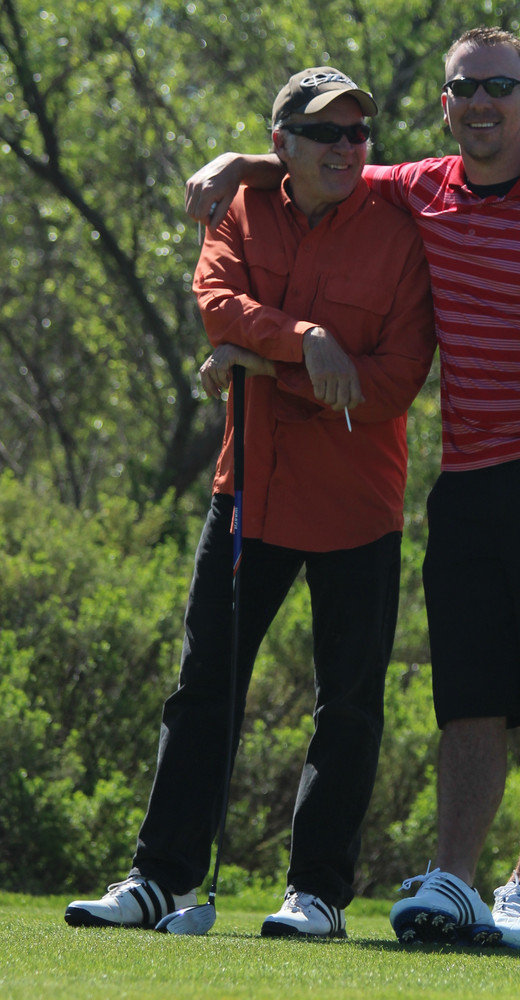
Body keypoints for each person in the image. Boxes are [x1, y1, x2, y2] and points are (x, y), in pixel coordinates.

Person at [183, 26, 520, 951]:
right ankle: (453, 879)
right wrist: (237, 163)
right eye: (465, 88)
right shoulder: (422, 187)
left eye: (500, 86)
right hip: (472, 477)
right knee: (470, 694)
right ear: (446, 107)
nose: (482, 102)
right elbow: (323, 166)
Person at [64, 66, 435, 939]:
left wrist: (264, 365)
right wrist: (307, 340)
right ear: (283, 144)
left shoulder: (399, 228)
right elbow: (217, 307)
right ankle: (159, 880)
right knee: (204, 690)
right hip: (250, 496)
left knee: (348, 706)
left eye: (357, 133)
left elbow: (391, 384)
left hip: (357, 504)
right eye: (326, 133)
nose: (346, 147)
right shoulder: (239, 208)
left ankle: (317, 895)